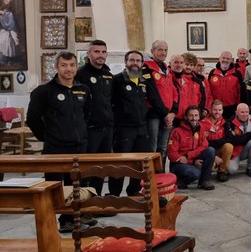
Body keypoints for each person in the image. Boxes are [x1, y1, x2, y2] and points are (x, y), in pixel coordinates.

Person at [27, 52, 91, 232]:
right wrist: (46, 136)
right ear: (56, 67)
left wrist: (81, 133)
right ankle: (48, 221)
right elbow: (32, 118)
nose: (68, 69)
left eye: (71, 65)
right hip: (55, 148)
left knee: (76, 186)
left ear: (76, 67)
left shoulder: (83, 89)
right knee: (53, 187)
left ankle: (69, 220)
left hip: (79, 146)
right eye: (64, 65)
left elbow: (87, 114)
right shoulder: (44, 91)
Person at [110, 50, 155, 195]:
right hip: (123, 129)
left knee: (140, 163)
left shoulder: (143, 81)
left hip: (141, 128)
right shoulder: (116, 80)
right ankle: (115, 195)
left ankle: (133, 190)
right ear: (126, 62)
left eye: (138, 61)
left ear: (142, 64)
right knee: (120, 165)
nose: (135, 63)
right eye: (132, 60)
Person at [75, 39, 113, 195]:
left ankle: (95, 200)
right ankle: (83, 204)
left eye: (103, 52)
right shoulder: (81, 74)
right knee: (86, 168)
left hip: (107, 128)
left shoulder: (108, 75)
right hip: (90, 129)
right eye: (96, 52)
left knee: (101, 168)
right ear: (89, 54)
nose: (100, 55)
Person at [142, 40, 179, 169]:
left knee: (163, 147)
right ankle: (150, 175)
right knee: (152, 147)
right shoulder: (146, 68)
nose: (163, 52)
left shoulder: (167, 69)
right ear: (152, 51)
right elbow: (152, 94)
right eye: (160, 50)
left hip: (168, 115)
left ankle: (161, 173)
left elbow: (174, 91)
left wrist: (173, 112)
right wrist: (165, 114)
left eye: (165, 50)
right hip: (154, 114)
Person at [167, 104, 216, 190]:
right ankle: (179, 180)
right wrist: (192, 162)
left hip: (190, 159)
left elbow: (204, 145)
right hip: (178, 164)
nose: (194, 118)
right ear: (186, 117)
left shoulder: (200, 128)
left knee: (210, 150)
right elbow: (171, 154)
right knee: (195, 173)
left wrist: (189, 157)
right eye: (191, 115)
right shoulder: (177, 132)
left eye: (196, 115)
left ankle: (204, 181)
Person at [199, 100, 232, 182]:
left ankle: (222, 172)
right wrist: (213, 156)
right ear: (210, 110)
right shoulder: (201, 124)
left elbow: (229, 139)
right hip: (207, 152)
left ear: (222, 111)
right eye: (215, 110)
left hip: (219, 150)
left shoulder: (225, 123)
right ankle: (205, 174)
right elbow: (201, 143)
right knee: (211, 165)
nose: (217, 112)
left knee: (228, 146)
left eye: (220, 110)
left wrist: (214, 142)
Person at [226, 103, 251, 177]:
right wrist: (248, 135)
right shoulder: (230, 122)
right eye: (242, 112)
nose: (245, 114)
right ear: (236, 112)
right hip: (234, 151)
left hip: (246, 150)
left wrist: (239, 138)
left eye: (246, 112)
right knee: (231, 170)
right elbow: (231, 140)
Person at [172, 52, 207, 124]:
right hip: (177, 118)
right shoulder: (174, 78)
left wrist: (198, 112)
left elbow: (202, 99)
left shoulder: (198, 81)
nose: (189, 67)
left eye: (191, 65)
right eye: (186, 64)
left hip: (193, 119)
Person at [208, 51, 244, 119]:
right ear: (219, 59)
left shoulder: (237, 74)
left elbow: (242, 92)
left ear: (231, 60)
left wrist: (240, 107)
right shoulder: (212, 73)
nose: (225, 60)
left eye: (228, 59)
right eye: (223, 58)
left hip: (232, 108)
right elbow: (208, 91)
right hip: (215, 108)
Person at [0, 0, 21, 64]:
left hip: (8, 34)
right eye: (5, 0)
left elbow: (12, 27)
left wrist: (15, 39)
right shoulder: (3, 12)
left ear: (9, 5)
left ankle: (7, 61)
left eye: (7, 1)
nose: (5, 2)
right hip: (2, 32)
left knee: (7, 47)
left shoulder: (10, 14)